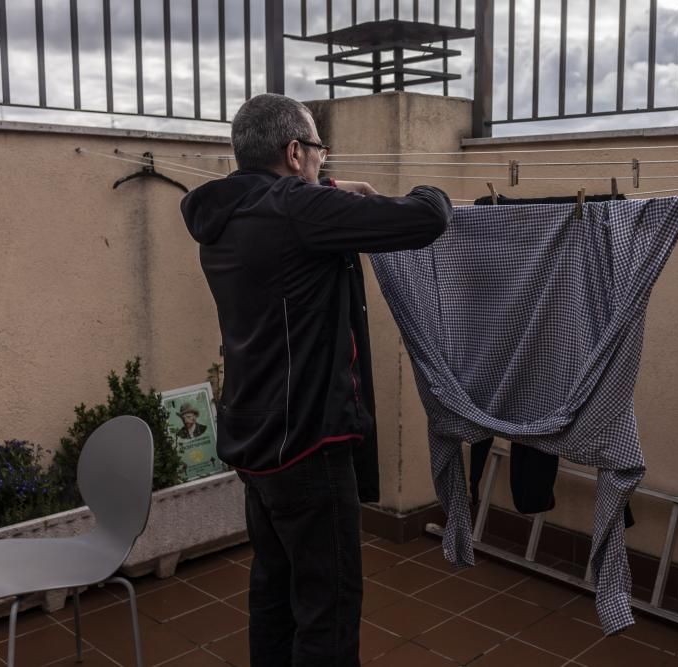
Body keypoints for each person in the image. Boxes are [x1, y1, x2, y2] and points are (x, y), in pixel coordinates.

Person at [180, 93, 452, 666]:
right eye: (319, 153)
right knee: (327, 609)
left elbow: (291, 223)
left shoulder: (223, 213)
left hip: (255, 440)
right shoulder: (295, 210)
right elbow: (427, 219)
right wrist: (425, 189)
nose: (323, 164)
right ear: (295, 149)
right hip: (307, 444)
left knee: (274, 592)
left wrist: (326, 192)